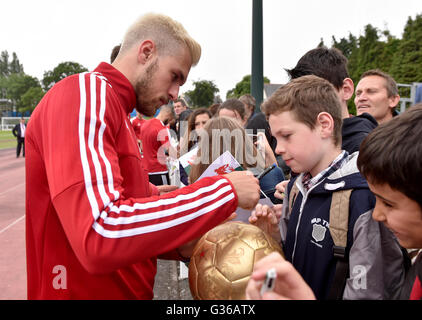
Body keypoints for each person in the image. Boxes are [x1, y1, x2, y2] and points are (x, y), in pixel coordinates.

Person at [24, 13, 260, 300]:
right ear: (147, 52)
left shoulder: (118, 111)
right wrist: (223, 192)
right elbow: (100, 232)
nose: (175, 93)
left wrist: (189, 234)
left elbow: (126, 235)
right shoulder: (87, 93)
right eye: (175, 76)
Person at [246, 104, 422, 300]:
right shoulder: (295, 187)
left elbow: (367, 291)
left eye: (388, 204)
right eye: (276, 138)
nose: (377, 214)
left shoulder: (360, 197)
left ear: (324, 125)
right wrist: (274, 237)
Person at [285, 47, 378, 154]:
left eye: (317, 94)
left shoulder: (365, 150)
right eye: (299, 97)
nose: (307, 104)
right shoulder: (307, 141)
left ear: (346, 89)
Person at [140, 105, 176, 185]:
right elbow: (171, 151)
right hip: (159, 170)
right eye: (170, 119)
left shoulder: (144, 124)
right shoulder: (161, 128)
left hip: (147, 170)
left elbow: (142, 147)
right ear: (168, 114)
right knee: (165, 195)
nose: (169, 122)